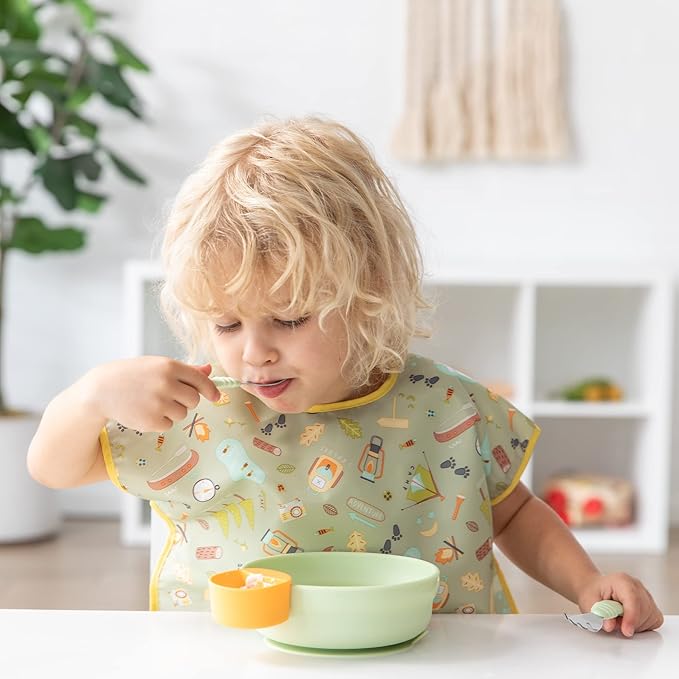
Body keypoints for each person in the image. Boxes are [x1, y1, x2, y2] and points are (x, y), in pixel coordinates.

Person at [27, 117, 662, 635]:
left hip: (432, 654)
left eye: (289, 319)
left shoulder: (447, 406)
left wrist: (587, 583)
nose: (254, 353)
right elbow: (53, 469)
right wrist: (90, 398)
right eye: (226, 325)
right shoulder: (198, 406)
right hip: (240, 659)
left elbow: (514, 514)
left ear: (368, 292)